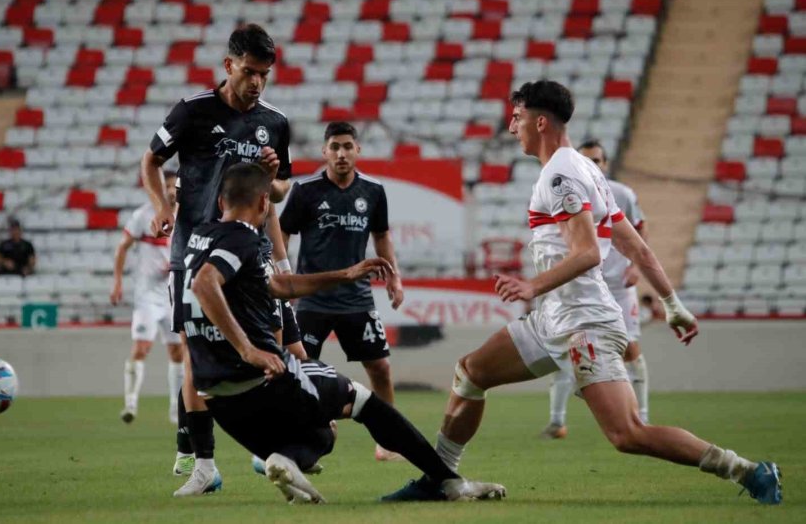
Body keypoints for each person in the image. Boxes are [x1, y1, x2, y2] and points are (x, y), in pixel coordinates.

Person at [383, 80, 782, 505]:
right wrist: (671, 303)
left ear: (540, 122)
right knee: (472, 372)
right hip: (553, 318)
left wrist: (531, 284)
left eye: (517, 117)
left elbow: (589, 252)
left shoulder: (560, 174)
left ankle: (748, 470)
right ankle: (442, 479)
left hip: (584, 323)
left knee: (628, 434)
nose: (511, 125)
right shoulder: (586, 169)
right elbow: (635, 246)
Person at [178, 162, 505, 503]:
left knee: (324, 433)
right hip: (260, 376)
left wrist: (345, 274)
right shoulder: (243, 238)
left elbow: (278, 284)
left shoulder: (200, 238)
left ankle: (286, 460)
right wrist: (247, 349)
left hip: (218, 394)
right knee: (363, 400)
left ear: (220, 203)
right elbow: (205, 283)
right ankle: (449, 482)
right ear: (264, 202)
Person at [139, 23, 301, 490]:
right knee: (196, 356)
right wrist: (162, 206)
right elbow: (150, 160)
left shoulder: (274, 122)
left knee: (276, 346)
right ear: (228, 65)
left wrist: (273, 179)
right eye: (249, 72)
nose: (256, 83)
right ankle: (205, 465)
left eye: (264, 75)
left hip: (250, 255)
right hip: (193, 249)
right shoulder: (191, 112)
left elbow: (282, 191)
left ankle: (275, 449)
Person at [279, 121, 406, 461]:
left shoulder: (373, 191)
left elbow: (382, 236)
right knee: (296, 369)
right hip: (311, 299)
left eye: (347, 146)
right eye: (334, 147)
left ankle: (390, 438)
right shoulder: (305, 191)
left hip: (356, 299)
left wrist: (394, 277)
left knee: (380, 367)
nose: (341, 153)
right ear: (325, 152)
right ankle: (298, 437)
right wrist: (285, 278)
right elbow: (282, 233)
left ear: (357, 150)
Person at [541, 138, 652, 438]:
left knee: (631, 350)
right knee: (566, 348)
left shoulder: (621, 194)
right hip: (582, 287)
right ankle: (556, 420)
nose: (592, 165)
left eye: (597, 161)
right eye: (586, 160)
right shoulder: (567, 190)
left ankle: (642, 417)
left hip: (616, 285)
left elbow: (639, 232)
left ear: (605, 164)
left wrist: (634, 268)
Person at [111, 170, 184, 425]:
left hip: (173, 294)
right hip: (146, 296)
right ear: (160, 190)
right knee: (142, 347)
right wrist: (118, 281)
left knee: (178, 353)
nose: (172, 191)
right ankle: (130, 404)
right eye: (167, 186)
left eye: (175, 186)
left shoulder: (186, 217)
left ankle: (177, 410)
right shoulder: (143, 215)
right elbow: (123, 247)